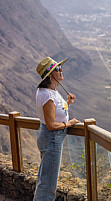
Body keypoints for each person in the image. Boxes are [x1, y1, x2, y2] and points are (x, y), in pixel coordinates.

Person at [34, 57, 80, 201]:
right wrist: (69, 124)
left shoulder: (51, 91)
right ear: (50, 75)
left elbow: (56, 111)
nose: (61, 70)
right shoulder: (47, 95)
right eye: (58, 69)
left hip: (49, 138)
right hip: (52, 138)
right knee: (48, 183)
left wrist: (68, 103)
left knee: (46, 177)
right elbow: (51, 125)